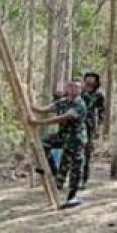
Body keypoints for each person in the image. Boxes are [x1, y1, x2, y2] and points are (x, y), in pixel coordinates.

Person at [29, 79, 88, 208]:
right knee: (44, 143)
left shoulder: (80, 104)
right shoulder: (62, 102)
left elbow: (62, 118)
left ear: (80, 90)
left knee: (75, 169)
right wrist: (29, 106)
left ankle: (72, 197)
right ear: (67, 88)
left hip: (76, 140)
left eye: (76, 87)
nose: (73, 89)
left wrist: (38, 123)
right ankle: (50, 169)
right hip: (63, 137)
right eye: (71, 87)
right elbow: (44, 110)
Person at [80, 72, 106, 190]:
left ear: (96, 81)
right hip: (73, 126)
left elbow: (101, 112)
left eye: (93, 78)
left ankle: (83, 180)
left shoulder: (98, 95)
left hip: (89, 127)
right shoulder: (78, 92)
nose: (90, 80)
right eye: (88, 77)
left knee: (86, 154)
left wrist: (99, 128)